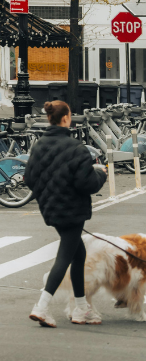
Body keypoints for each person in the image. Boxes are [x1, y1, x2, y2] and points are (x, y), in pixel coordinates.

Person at [23, 99, 108, 327]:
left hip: (51, 208)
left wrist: (47, 193)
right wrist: (101, 173)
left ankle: (81, 309)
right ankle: (41, 306)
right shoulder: (76, 148)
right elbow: (86, 183)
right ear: (66, 118)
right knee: (64, 258)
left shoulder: (38, 146)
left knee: (78, 255)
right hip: (73, 210)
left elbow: (29, 178)